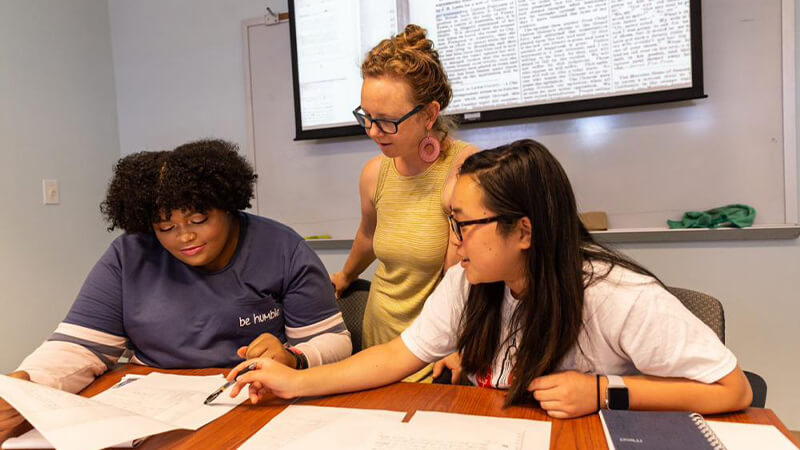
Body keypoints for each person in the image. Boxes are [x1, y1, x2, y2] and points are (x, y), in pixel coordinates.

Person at [225, 139, 752, 418]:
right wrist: (295, 382)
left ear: (522, 231)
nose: (451, 241)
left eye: (462, 224)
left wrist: (602, 391)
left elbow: (733, 390)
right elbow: (396, 355)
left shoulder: (616, 295)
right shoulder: (470, 282)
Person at [0, 139, 351, 438]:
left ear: (227, 205)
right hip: (150, 411)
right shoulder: (130, 254)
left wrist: (293, 357)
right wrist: (27, 385)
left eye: (199, 220)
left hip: (254, 403)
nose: (184, 236)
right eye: (165, 226)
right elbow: (79, 346)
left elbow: (334, 341)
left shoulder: (280, 247)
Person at [328, 24, 477, 380]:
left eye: (387, 122)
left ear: (428, 114)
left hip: (437, 347)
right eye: (366, 117)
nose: (373, 132)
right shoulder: (374, 174)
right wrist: (345, 275)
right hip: (379, 338)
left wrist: (461, 346)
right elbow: (368, 235)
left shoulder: (465, 171)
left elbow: (463, 278)